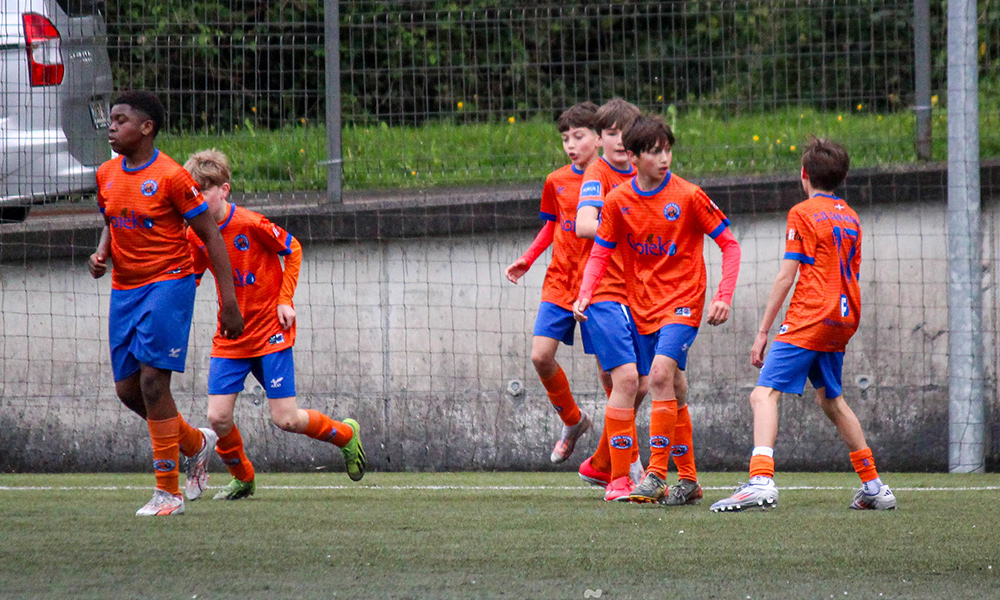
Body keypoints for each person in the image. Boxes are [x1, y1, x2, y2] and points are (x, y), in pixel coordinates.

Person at [710, 137, 896, 512]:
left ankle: (761, 480)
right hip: (844, 316)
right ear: (841, 178)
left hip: (811, 315)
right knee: (832, 400)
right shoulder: (852, 216)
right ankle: (874, 486)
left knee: (763, 394)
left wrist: (763, 330)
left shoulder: (802, 213)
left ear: (804, 175)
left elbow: (787, 275)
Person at [88, 91, 245, 516]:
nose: (112, 127)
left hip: (169, 283)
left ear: (146, 128)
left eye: (120, 120)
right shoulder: (105, 173)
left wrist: (228, 302)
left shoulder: (173, 177)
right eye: (110, 120)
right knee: (127, 390)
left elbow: (211, 234)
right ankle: (195, 445)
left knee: (154, 384)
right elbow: (112, 218)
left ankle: (167, 492)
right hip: (125, 288)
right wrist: (102, 252)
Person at [574, 115, 741, 503]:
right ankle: (689, 480)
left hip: (684, 301)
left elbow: (729, 245)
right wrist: (585, 292)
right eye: (654, 152)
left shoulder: (688, 195)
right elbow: (601, 251)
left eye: (667, 150)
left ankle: (653, 475)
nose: (664, 158)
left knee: (661, 376)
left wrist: (723, 295)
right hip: (643, 306)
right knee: (675, 389)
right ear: (633, 157)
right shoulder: (617, 202)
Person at [184, 149, 366, 500]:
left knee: (286, 420)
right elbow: (190, 278)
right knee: (217, 418)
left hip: (270, 333)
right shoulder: (196, 235)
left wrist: (285, 298)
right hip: (232, 338)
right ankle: (244, 478)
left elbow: (292, 249)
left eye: (204, 191)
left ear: (224, 190)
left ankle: (346, 434)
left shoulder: (250, 224)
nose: (199, 198)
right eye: (193, 192)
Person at [505, 102, 601, 464]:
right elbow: (552, 224)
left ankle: (623, 463)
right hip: (560, 282)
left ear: (599, 137)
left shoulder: (613, 179)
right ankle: (573, 421)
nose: (571, 145)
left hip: (598, 287)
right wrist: (527, 259)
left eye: (578, 136)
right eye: (566, 139)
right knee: (540, 356)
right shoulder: (556, 181)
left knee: (610, 375)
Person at [572, 98, 648, 497]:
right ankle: (620, 477)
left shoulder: (643, 174)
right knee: (627, 379)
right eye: (612, 133)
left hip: (640, 294)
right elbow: (585, 224)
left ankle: (603, 462)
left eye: (626, 133)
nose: (619, 140)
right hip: (603, 292)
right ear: (600, 138)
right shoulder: (596, 174)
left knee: (642, 382)